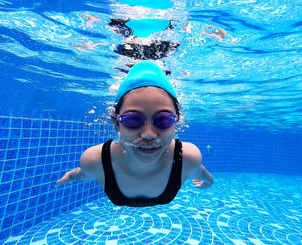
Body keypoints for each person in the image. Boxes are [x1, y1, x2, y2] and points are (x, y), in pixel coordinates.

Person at [55, 61, 213, 207]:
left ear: (176, 122)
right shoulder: (95, 160)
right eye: (133, 120)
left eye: (163, 120)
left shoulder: (187, 157)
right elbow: (81, 174)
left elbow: (200, 172)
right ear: (116, 122)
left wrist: (208, 181)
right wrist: (69, 176)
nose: (149, 134)